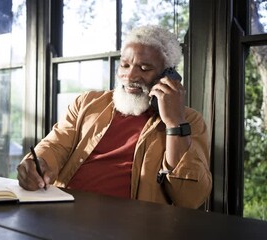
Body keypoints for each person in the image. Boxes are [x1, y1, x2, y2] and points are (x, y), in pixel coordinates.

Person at [16, 25, 212, 209]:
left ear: (168, 75)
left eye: (144, 68)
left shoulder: (188, 121)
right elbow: (55, 146)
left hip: (132, 225)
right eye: (125, 65)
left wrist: (174, 123)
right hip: (64, 211)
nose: (131, 75)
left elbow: (190, 198)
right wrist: (38, 163)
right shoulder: (87, 102)